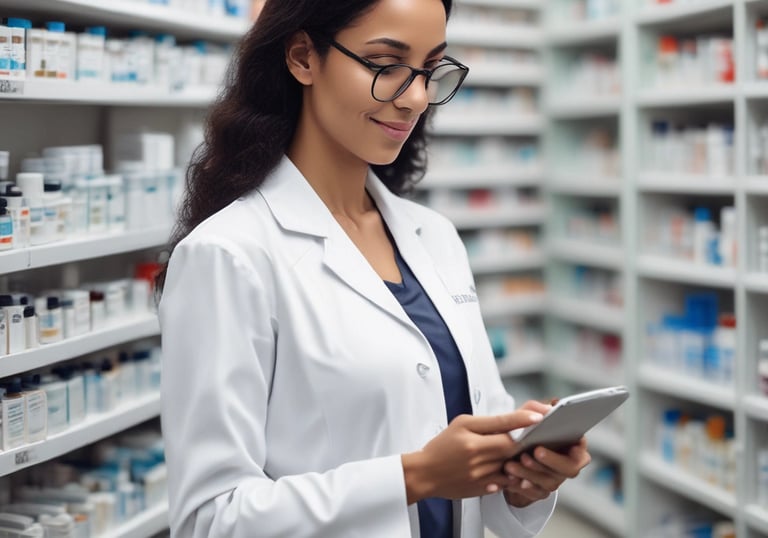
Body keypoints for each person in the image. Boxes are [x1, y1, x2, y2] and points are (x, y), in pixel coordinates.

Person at [157, 0, 592, 536]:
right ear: (302, 57)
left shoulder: (435, 237)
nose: (414, 98)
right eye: (386, 65)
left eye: (431, 70)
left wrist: (524, 474)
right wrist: (416, 476)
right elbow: (211, 519)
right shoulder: (229, 255)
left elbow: (478, 426)